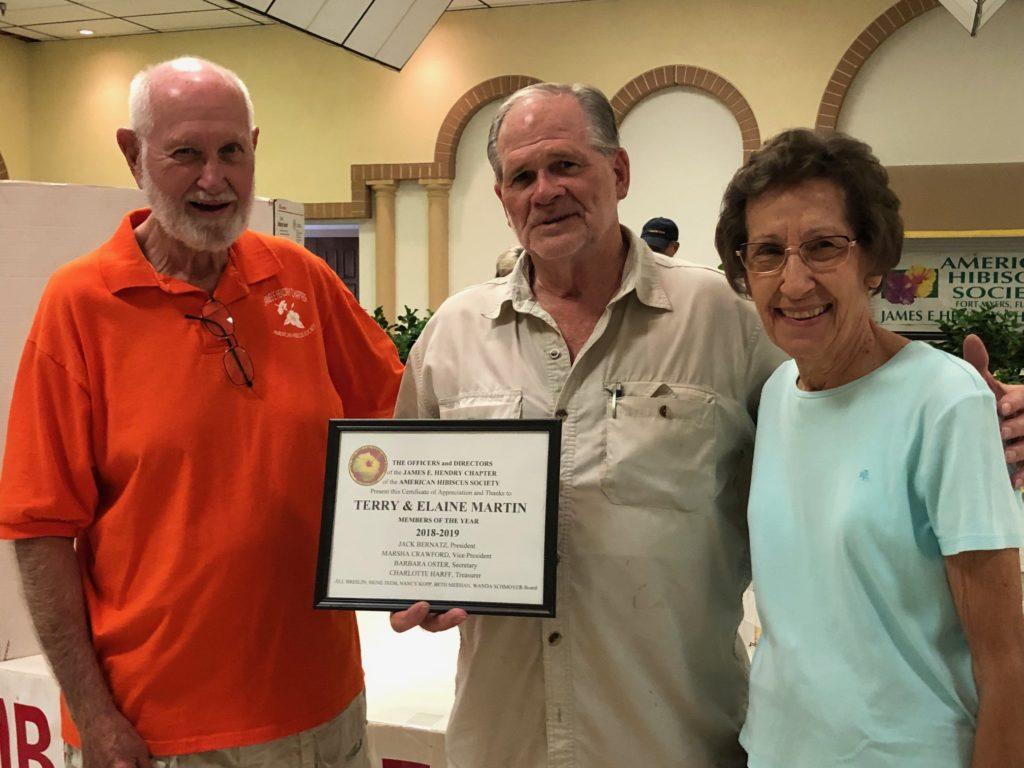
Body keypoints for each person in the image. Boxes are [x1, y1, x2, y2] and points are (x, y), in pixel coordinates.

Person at [0, 57, 402, 768]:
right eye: (186, 153)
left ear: (254, 149)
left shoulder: (300, 279)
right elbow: (39, 533)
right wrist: (94, 714)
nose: (214, 179)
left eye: (231, 152)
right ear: (134, 154)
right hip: (160, 734)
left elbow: (400, 423)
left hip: (326, 709)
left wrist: (431, 565)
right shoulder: (79, 307)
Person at [390, 82, 786, 767]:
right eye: (522, 176)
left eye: (566, 165)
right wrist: (413, 580)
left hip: (675, 742)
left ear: (620, 172)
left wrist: (964, 414)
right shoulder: (452, 336)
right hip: (504, 744)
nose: (545, 191)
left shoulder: (725, 320)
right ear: (503, 200)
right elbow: (407, 519)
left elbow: (835, 439)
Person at [715, 128, 1024, 767]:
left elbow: (1006, 662)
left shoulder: (944, 402)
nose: (795, 282)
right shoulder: (776, 394)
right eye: (768, 252)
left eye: (824, 247)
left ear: (874, 259)